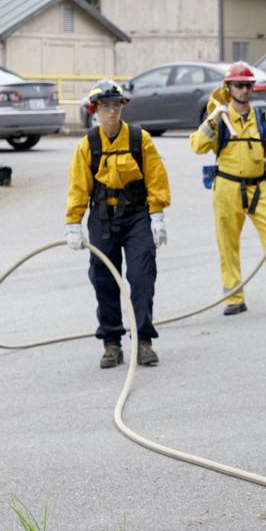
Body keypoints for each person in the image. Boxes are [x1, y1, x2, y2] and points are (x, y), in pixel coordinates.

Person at [190, 62, 266, 315]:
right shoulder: (219, 120)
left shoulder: (263, 121)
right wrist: (211, 121)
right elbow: (197, 146)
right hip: (227, 189)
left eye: (248, 85)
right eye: (239, 85)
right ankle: (234, 299)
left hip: (259, 189)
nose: (244, 90)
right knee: (228, 245)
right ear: (228, 87)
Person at [65, 80, 171, 369]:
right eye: (105, 106)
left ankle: (143, 341)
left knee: (142, 275)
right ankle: (111, 343)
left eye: (116, 105)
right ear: (95, 110)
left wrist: (158, 215)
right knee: (104, 278)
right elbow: (78, 187)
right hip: (103, 218)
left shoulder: (139, 139)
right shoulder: (88, 145)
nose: (111, 112)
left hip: (137, 216)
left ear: (122, 107)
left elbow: (156, 177)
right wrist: (73, 223)